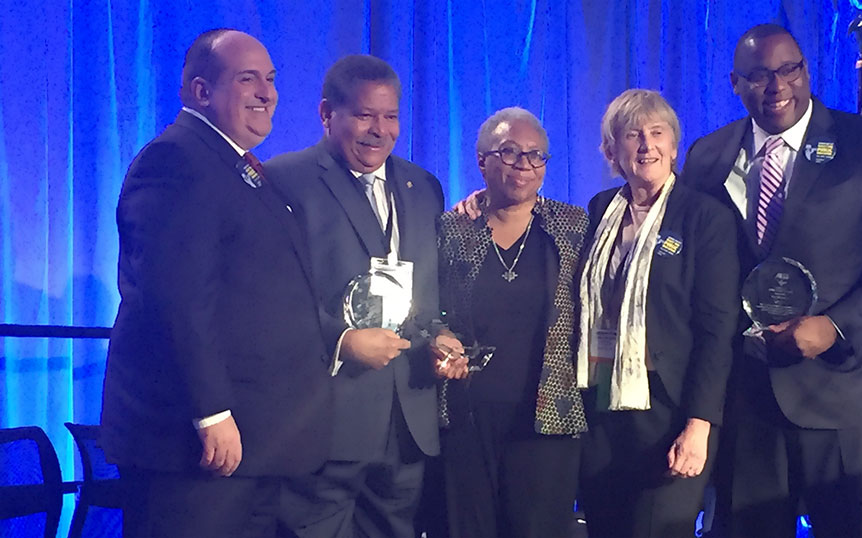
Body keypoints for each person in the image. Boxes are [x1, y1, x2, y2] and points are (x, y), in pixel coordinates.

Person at [680, 23, 862, 538]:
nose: (776, 86)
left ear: (806, 69)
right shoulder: (707, 156)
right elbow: (686, 260)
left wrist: (835, 326)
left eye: (788, 69)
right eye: (758, 76)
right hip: (748, 400)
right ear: (735, 83)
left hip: (848, 396)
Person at [100, 29, 332, 537]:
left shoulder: (236, 167)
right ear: (201, 91)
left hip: (258, 442)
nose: (267, 94)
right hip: (193, 448)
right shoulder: (176, 161)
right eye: (248, 79)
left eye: (270, 80)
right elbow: (176, 301)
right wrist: (211, 413)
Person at [264, 54, 459, 538]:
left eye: (390, 116)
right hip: (325, 420)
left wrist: (441, 334)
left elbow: (425, 296)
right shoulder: (285, 180)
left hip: (406, 421)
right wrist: (342, 341)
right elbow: (269, 299)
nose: (380, 130)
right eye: (364, 115)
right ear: (327, 113)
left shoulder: (422, 186)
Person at [576, 89, 740, 538]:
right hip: (601, 408)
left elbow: (717, 329)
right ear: (612, 150)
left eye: (657, 133)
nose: (646, 146)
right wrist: (481, 204)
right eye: (633, 135)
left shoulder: (704, 217)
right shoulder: (598, 210)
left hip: (669, 413)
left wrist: (699, 424)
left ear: (673, 145)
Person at [436, 107, 588, 538]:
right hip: (466, 420)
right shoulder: (451, 228)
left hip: (547, 420)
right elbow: (427, 309)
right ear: (481, 160)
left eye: (535, 155)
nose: (523, 165)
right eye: (509, 152)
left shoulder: (574, 225)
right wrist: (439, 336)